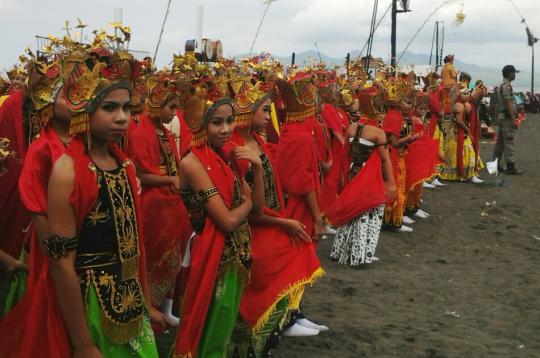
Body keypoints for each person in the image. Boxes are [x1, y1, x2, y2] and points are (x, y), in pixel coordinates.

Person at [226, 76, 324, 355]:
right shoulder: (237, 150)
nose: (270, 116)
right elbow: (250, 210)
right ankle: (280, 323)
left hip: (269, 217)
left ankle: (285, 322)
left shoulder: (257, 140)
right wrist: (284, 222)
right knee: (294, 253)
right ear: (247, 113)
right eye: (265, 110)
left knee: (298, 250)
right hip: (251, 227)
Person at [172, 78, 263, 358]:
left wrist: (257, 168)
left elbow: (256, 208)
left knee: (222, 330)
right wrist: (246, 203)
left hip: (233, 255)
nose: (226, 130)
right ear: (200, 123)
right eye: (217, 123)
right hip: (213, 258)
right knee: (209, 332)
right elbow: (227, 221)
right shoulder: (193, 161)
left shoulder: (221, 155)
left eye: (230, 121)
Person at [129, 72, 192, 326]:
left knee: (171, 258)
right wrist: (170, 181)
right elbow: (142, 174)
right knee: (153, 259)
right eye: (171, 107)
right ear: (156, 105)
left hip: (170, 204)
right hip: (154, 206)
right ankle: (149, 310)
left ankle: (165, 309)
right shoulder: (141, 133)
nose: (175, 114)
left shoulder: (163, 132)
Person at [326, 84, 396, 265]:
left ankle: (341, 250)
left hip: (352, 172)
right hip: (367, 175)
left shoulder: (351, 127)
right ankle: (360, 254)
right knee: (366, 210)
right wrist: (391, 183)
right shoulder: (378, 133)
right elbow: (385, 160)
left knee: (351, 208)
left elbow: (345, 153)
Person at [493, 65, 522, 175]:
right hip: (507, 118)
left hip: (503, 117)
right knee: (509, 142)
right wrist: (513, 117)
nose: (515, 75)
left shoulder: (504, 85)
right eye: (514, 72)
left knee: (500, 143)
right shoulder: (506, 86)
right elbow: (507, 102)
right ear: (509, 73)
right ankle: (511, 167)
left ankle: (495, 166)